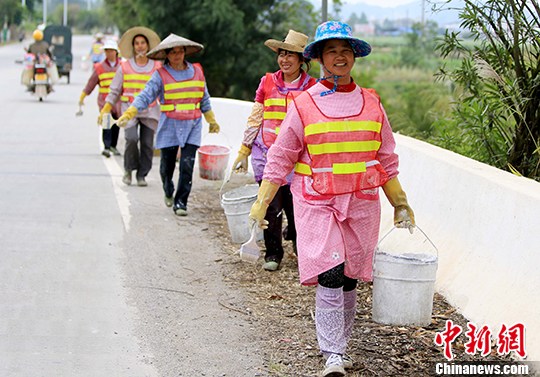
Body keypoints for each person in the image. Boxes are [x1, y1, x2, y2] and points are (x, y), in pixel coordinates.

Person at [248, 21, 416, 377]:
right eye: (331, 50)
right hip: (316, 201)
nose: (339, 56)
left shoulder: (371, 103)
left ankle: (341, 344)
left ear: (353, 56)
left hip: (362, 201)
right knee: (331, 273)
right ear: (320, 58)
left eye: (345, 50)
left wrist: (400, 201)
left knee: (351, 276)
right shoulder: (304, 103)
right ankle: (333, 354)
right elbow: (281, 155)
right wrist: (262, 201)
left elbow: (385, 157)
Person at [232, 30, 316, 271]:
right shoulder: (267, 82)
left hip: (298, 160)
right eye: (282, 54)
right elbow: (256, 116)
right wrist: (244, 149)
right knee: (272, 207)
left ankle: (303, 252)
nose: (285, 60)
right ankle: (273, 254)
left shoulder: (312, 87)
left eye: (291, 55)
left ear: (302, 60)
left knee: (298, 208)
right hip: (267, 156)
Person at [116, 33, 221, 216]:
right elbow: (146, 95)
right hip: (169, 125)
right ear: (167, 55)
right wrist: (130, 112)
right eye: (173, 52)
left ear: (185, 53)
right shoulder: (160, 75)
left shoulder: (197, 72)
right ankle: (168, 189)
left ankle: (181, 202)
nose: (177, 55)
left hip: (192, 124)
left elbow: (204, 97)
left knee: (187, 165)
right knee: (167, 166)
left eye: (180, 51)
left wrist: (211, 120)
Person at [98, 26, 161, 187]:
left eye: (143, 43)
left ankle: (142, 174)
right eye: (137, 43)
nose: (140, 46)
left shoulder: (157, 67)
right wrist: (106, 108)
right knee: (131, 139)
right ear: (133, 47)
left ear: (148, 46)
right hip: (129, 111)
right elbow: (114, 90)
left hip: (150, 111)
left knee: (147, 144)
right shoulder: (124, 67)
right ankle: (128, 169)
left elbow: (164, 90)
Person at [79, 39, 122, 158]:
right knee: (107, 123)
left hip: (119, 102)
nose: (109, 53)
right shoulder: (99, 67)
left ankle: (113, 145)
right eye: (107, 51)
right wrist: (84, 95)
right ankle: (107, 147)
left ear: (116, 52)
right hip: (105, 101)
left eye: (111, 51)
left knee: (116, 124)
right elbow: (91, 83)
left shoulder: (122, 66)